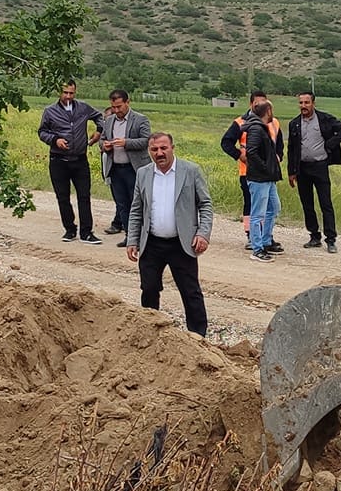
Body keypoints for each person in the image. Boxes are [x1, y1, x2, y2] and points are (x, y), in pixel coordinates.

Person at [125, 133, 213, 336]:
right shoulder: (143, 173)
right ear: (150, 151)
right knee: (148, 289)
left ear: (172, 147)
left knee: (191, 292)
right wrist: (133, 239)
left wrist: (203, 233)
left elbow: (205, 204)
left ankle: (198, 337)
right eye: (154, 149)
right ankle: (149, 332)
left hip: (181, 243)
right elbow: (136, 209)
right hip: (152, 243)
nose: (159, 153)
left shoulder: (190, 171)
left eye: (164, 148)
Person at [37, 80, 104, 243]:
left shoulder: (83, 108)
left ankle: (86, 232)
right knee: (63, 197)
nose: (68, 96)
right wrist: (55, 140)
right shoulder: (50, 111)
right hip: (58, 160)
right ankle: (69, 229)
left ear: (75, 92)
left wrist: (99, 132)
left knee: (84, 196)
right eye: (65, 92)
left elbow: (99, 117)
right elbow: (42, 131)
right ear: (59, 92)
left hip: (80, 160)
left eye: (71, 93)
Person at [284, 92, 341, 253]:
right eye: (301, 103)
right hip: (302, 168)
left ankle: (330, 239)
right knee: (307, 204)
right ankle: (314, 236)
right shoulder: (294, 123)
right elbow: (292, 149)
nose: (303, 106)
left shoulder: (324, 119)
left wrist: (330, 144)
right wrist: (291, 171)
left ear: (313, 103)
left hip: (320, 166)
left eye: (306, 103)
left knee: (325, 203)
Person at [219, 91, 283, 252]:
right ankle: (252, 238)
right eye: (258, 103)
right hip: (249, 172)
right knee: (253, 206)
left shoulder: (274, 122)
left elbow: (279, 143)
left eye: (264, 103)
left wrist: (278, 157)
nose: (261, 106)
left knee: (271, 207)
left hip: (268, 172)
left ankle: (265, 239)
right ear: (251, 105)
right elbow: (226, 143)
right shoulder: (241, 123)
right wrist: (240, 156)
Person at [97, 89, 153, 243]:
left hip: (134, 169)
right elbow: (101, 140)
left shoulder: (141, 119)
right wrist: (105, 145)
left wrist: (126, 142)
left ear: (128, 103)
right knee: (122, 204)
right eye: (113, 107)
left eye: (119, 107)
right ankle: (130, 237)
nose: (116, 110)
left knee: (137, 204)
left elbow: (147, 141)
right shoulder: (109, 121)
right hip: (115, 169)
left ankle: (144, 237)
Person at [240, 100, 284, 262]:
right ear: (268, 111)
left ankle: (265, 241)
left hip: (268, 178)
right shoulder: (257, 129)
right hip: (259, 178)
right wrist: (265, 168)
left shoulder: (260, 127)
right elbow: (251, 152)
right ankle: (257, 248)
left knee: (274, 207)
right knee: (258, 213)